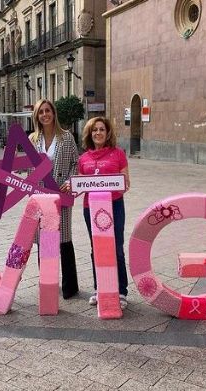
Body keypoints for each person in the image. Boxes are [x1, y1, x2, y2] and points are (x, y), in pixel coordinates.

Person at [29, 99, 79, 299]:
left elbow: (76, 163)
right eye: (40, 112)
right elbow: (31, 168)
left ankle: (70, 286)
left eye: (47, 111)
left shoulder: (66, 137)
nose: (44, 115)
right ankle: (48, 281)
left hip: (61, 194)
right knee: (44, 239)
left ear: (53, 113)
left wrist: (70, 181)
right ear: (37, 116)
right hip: (41, 196)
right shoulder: (33, 139)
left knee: (64, 239)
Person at [78, 117, 130, 309]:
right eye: (94, 130)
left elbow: (126, 183)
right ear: (90, 134)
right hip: (89, 207)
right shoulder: (83, 159)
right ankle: (99, 288)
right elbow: (80, 184)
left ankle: (121, 291)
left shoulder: (118, 154)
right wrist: (72, 185)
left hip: (114, 206)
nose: (98, 133)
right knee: (97, 249)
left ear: (107, 133)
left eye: (102, 129)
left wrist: (109, 185)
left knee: (116, 248)